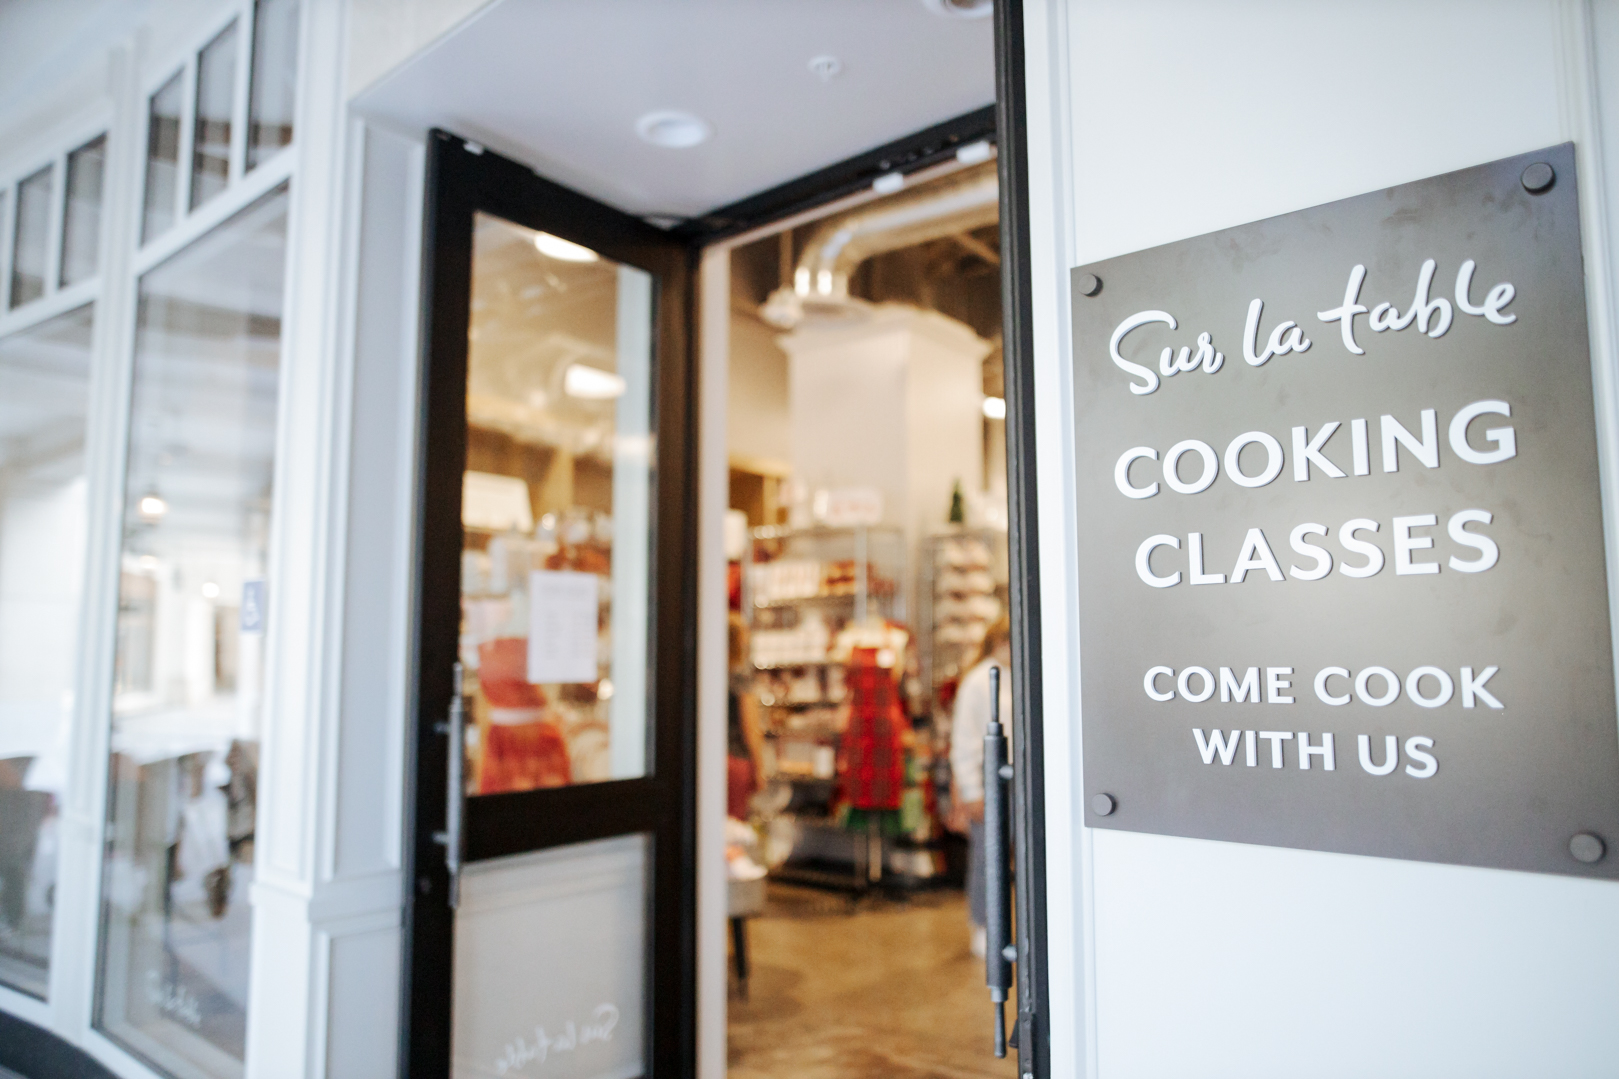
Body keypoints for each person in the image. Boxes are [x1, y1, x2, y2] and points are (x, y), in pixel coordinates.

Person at [949, 614, 1012, 958]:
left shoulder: (1017, 674)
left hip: (1016, 776)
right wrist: (972, 790)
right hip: (990, 778)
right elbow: (965, 740)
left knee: (1009, 855)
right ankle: (983, 925)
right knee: (989, 856)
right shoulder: (978, 681)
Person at [727, 613, 766, 820]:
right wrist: (759, 768)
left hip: (716, 759)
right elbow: (751, 727)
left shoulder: (712, 674)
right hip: (736, 760)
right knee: (735, 823)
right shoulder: (740, 678)